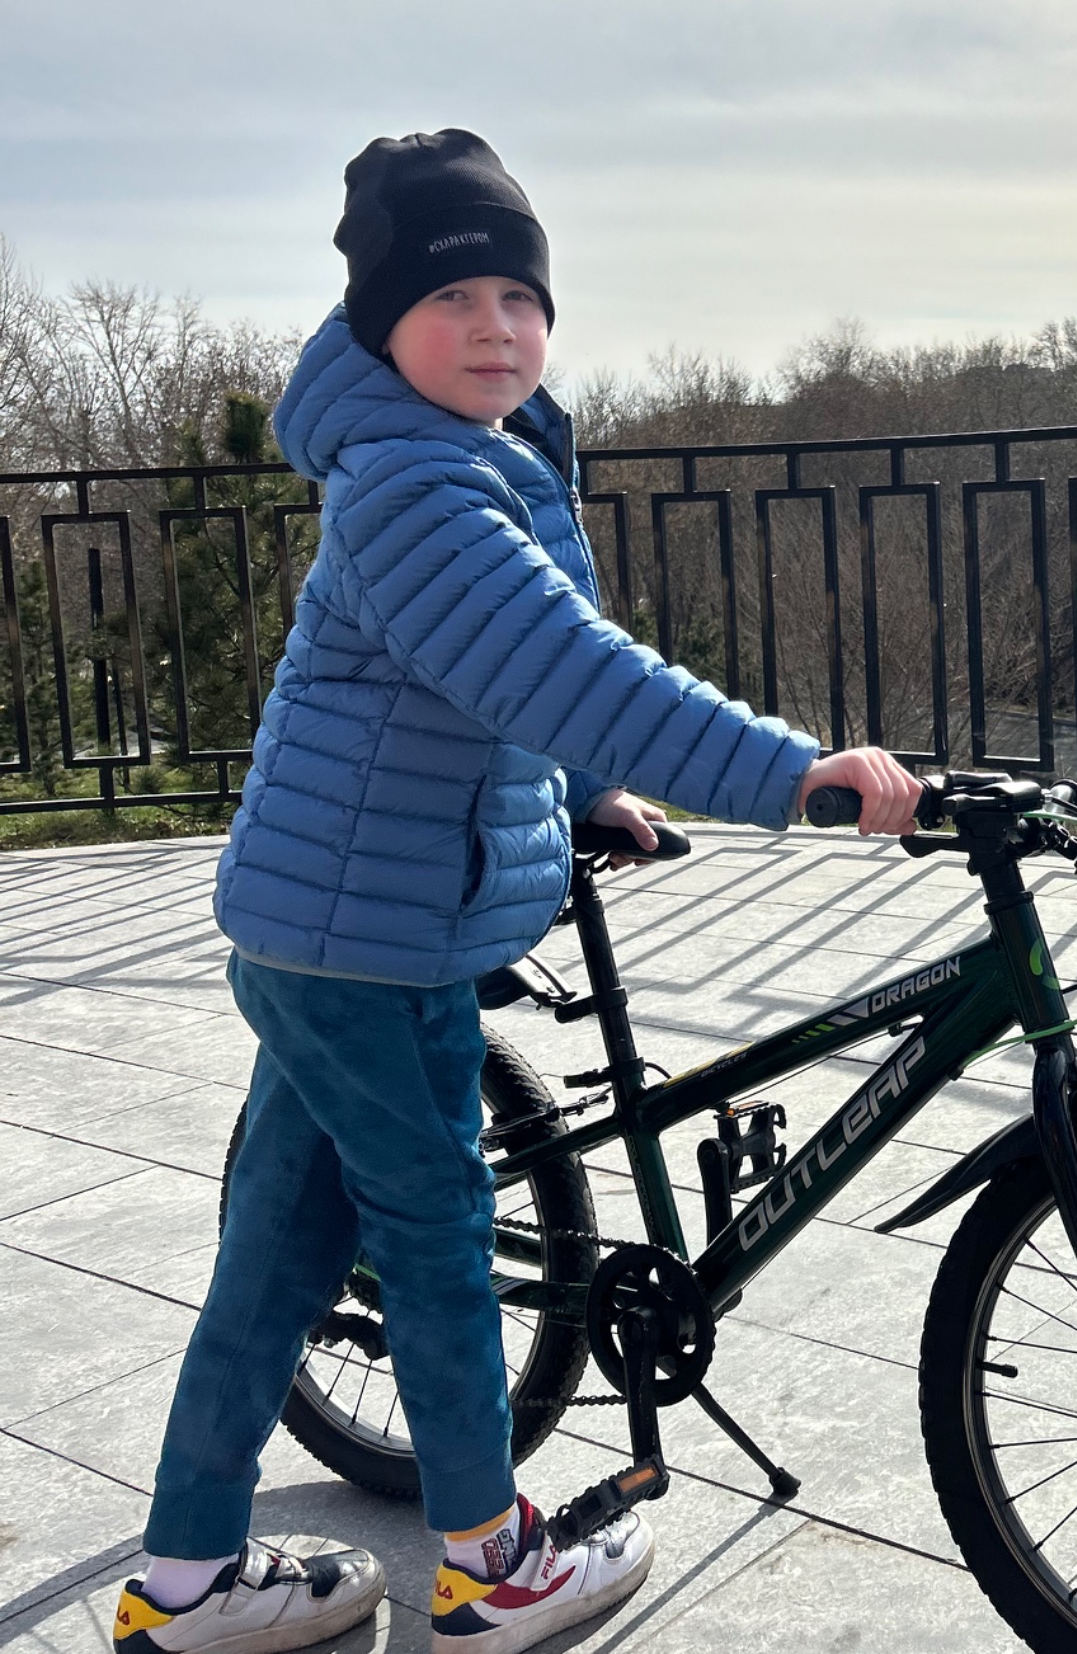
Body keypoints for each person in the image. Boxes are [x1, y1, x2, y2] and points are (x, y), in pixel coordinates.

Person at [112, 130, 920, 1654]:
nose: (494, 327)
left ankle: (187, 1581)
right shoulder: (415, 490)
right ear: (380, 325)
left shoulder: (467, 455)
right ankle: (488, 1564)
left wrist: (581, 786)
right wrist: (794, 771)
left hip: (334, 928)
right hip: (369, 945)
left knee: (277, 1258)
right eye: (450, 297)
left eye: (519, 296)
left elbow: (489, 690)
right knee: (435, 1240)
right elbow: (567, 667)